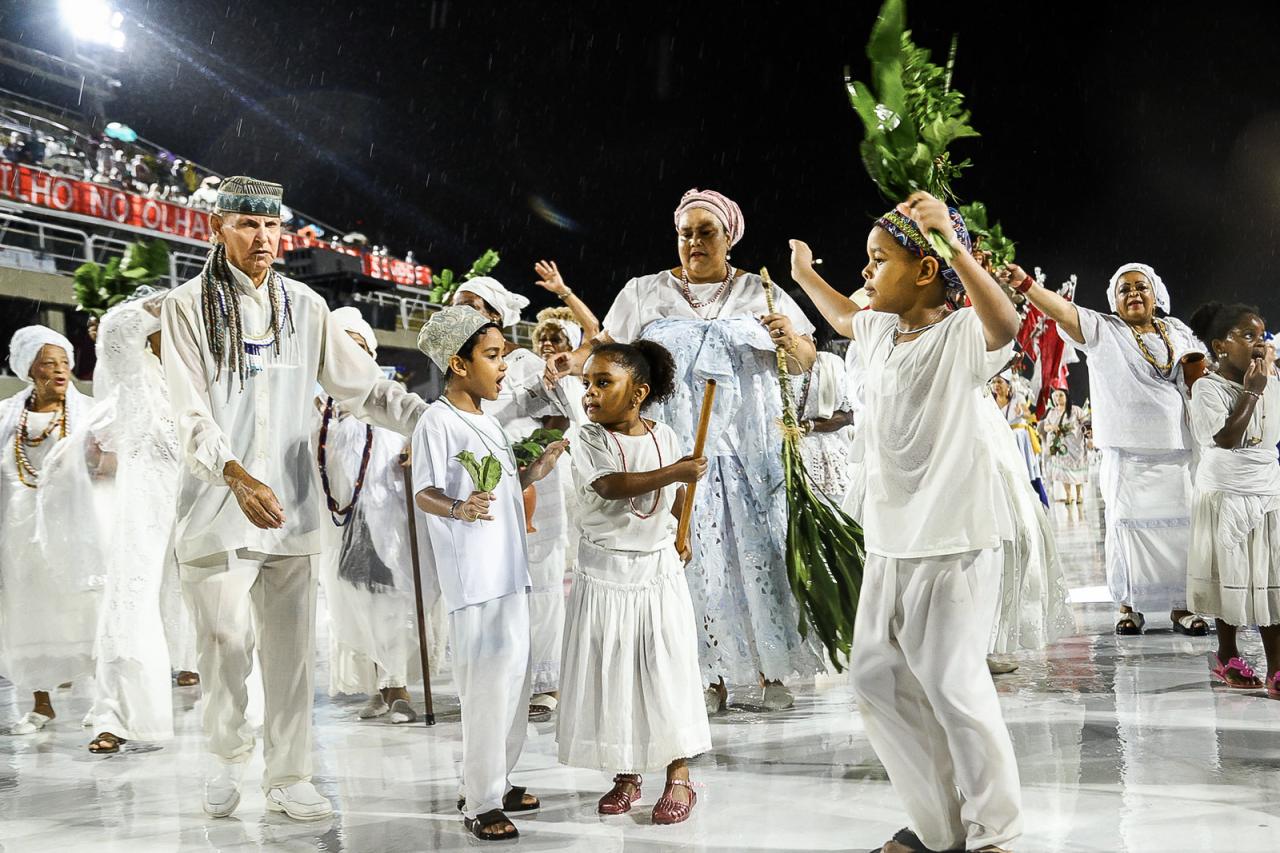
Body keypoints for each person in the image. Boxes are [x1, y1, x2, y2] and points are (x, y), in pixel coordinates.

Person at [160, 176, 427, 821]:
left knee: (289, 654)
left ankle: (289, 774)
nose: (264, 238)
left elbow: (363, 389)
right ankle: (226, 755)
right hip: (217, 500)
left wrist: (437, 423)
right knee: (222, 643)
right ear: (217, 228)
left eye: (273, 226)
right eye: (248, 225)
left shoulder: (305, 306)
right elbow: (189, 410)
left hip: (291, 506)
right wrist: (233, 474)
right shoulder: (187, 305)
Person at [791, 192, 1022, 853]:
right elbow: (843, 313)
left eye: (878, 259)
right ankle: (939, 829)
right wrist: (806, 273)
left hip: (952, 537)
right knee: (873, 676)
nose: (866, 273)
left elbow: (1003, 324)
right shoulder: (881, 330)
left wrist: (951, 240)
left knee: (952, 684)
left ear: (926, 270)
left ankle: (996, 832)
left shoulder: (960, 335)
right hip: (890, 537)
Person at [545, 187, 821, 713]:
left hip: (750, 453)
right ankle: (705, 671)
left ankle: (768, 667)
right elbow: (606, 348)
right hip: (677, 453)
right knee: (689, 555)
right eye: (685, 233)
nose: (694, 242)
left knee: (755, 554)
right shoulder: (645, 291)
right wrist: (573, 360)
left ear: (729, 237)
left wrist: (791, 339)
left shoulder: (761, 292)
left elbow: (806, 358)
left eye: (706, 232)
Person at [411, 305, 567, 841]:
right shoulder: (437, 420)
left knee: (514, 684)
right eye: (493, 356)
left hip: (507, 572)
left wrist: (536, 469)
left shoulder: (486, 421)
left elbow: (500, 483)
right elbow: (425, 489)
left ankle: (497, 782)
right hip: (474, 580)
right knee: (486, 689)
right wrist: (458, 509)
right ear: (458, 362)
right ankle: (479, 801)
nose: (504, 367)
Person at [1006, 260, 1209, 636]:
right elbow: (1064, 312)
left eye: (1140, 287)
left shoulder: (1177, 331)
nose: (1133, 293)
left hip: (1178, 449)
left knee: (1183, 531)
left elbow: (1203, 373)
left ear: (1155, 294)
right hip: (1127, 452)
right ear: (1114, 301)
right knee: (1126, 529)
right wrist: (1027, 286)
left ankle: (1183, 607)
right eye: (1124, 289)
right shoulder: (1105, 330)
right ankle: (1128, 606)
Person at [557, 341, 712, 825]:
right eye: (587, 383)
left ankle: (679, 774)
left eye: (603, 382)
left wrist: (681, 527)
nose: (590, 393)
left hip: (657, 572)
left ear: (639, 392)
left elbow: (674, 494)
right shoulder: (587, 438)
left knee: (665, 671)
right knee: (614, 674)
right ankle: (625, 772)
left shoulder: (663, 433)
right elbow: (610, 485)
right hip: (605, 575)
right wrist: (677, 470)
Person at [453, 274, 576, 719]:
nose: (461, 314)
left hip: (533, 482)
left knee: (540, 581)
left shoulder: (523, 362)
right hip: (481, 486)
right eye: (456, 306)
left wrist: (532, 460)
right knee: (492, 582)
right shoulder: (458, 368)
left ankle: (544, 683)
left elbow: (559, 416)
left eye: (471, 306)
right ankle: (503, 675)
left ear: (495, 317)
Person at [75, 292, 180, 753]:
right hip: (144, 500)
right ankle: (116, 714)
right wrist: (172, 301)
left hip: (204, 498)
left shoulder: (195, 376)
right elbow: (118, 331)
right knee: (129, 599)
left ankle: (239, 710)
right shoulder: (134, 377)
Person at [317, 307, 422, 724]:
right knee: (354, 605)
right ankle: (379, 686)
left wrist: (416, 449)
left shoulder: (386, 397)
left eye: (356, 348)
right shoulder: (318, 404)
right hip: (338, 525)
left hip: (386, 519)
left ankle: (399, 687)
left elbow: (418, 433)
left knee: (391, 603)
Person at [0, 326, 100, 735]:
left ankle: (103, 706)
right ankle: (41, 703)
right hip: (20, 536)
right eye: (48, 363)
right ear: (29, 369)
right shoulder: (7, 415)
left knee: (85, 612)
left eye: (64, 362)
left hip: (76, 529)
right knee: (30, 616)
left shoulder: (91, 413)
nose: (60, 371)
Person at [1186, 302, 1280, 696]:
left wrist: (1265, 384)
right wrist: (1253, 393)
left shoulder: (1273, 380)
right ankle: (1227, 653)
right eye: (1247, 336)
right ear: (1221, 345)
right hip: (1225, 493)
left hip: (1267, 489)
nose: (1258, 345)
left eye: (1261, 336)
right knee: (1232, 575)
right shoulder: (1206, 387)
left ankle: (1277, 664)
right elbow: (1225, 438)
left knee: (1271, 577)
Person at [1040, 388, 1090, 504]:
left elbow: (1085, 422)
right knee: (1063, 472)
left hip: (1075, 445)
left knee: (1076, 469)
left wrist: (1088, 434)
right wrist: (1052, 427)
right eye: (1056, 396)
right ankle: (1068, 495)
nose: (1058, 398)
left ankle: (1079, 495)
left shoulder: (1075, 410)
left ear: (1066, 396)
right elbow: (1046, 427)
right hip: (1060, 446)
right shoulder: (1052, 412)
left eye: (1061, 395)